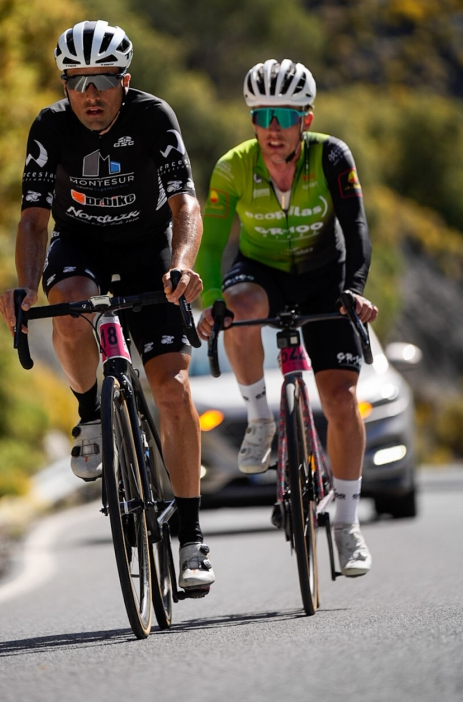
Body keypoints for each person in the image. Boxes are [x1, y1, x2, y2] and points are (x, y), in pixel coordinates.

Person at [0, 20, 214, 592]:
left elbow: (185, 203)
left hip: (150, 253)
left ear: (125, 80)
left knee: (172, 389)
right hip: (82, 248)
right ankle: (91, 416)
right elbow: (34, 219)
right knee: (65, 303)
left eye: (102, 81)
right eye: (76, 81)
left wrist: (184, 263)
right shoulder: (49, 126)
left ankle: (191, 536)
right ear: (65, 84)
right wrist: (24, 287)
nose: (89, 94)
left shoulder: (153, 117)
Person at [196, 58, 377, 577]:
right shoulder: (233, 167)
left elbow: (356, 226)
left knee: (342, 400)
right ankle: (259, 419)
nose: (274, 128)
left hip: (326, 275)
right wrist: (211, 299)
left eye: (286, 115)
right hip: (262, 273)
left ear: (307, 118)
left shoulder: (331, 156)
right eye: (263, 115)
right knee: (240, 310)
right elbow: (211, 243)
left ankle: (346, 523)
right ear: (252, 120)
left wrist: (355, 291)